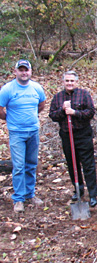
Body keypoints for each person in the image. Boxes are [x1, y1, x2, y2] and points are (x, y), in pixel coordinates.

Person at [0, 59, 46, 212]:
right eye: (21, 70)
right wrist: (9, 119)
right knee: (18, 166)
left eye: (26, 70)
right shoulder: (8, 90)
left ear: (30, 71)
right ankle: (18, 199)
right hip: (16, 133)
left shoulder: (36, 88)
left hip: (33, 131)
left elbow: (41, 105)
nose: (24, 72)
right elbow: (0, 108)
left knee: (31, 163)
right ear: (15, 72)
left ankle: (30, 194)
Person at [49, 71, 97, 207]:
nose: (69, 83)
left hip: (83, 134)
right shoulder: (58, 97)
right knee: (72, 163)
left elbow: (90, 112)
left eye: (72, 81)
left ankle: (93, 194)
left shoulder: (84, 94)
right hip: (66, 134)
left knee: (88, 164)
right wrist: (62, 110)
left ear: (76, 82)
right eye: (67, 81)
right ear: (63, 82)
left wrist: (75, 113)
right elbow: (52, 115)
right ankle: (78, 189)